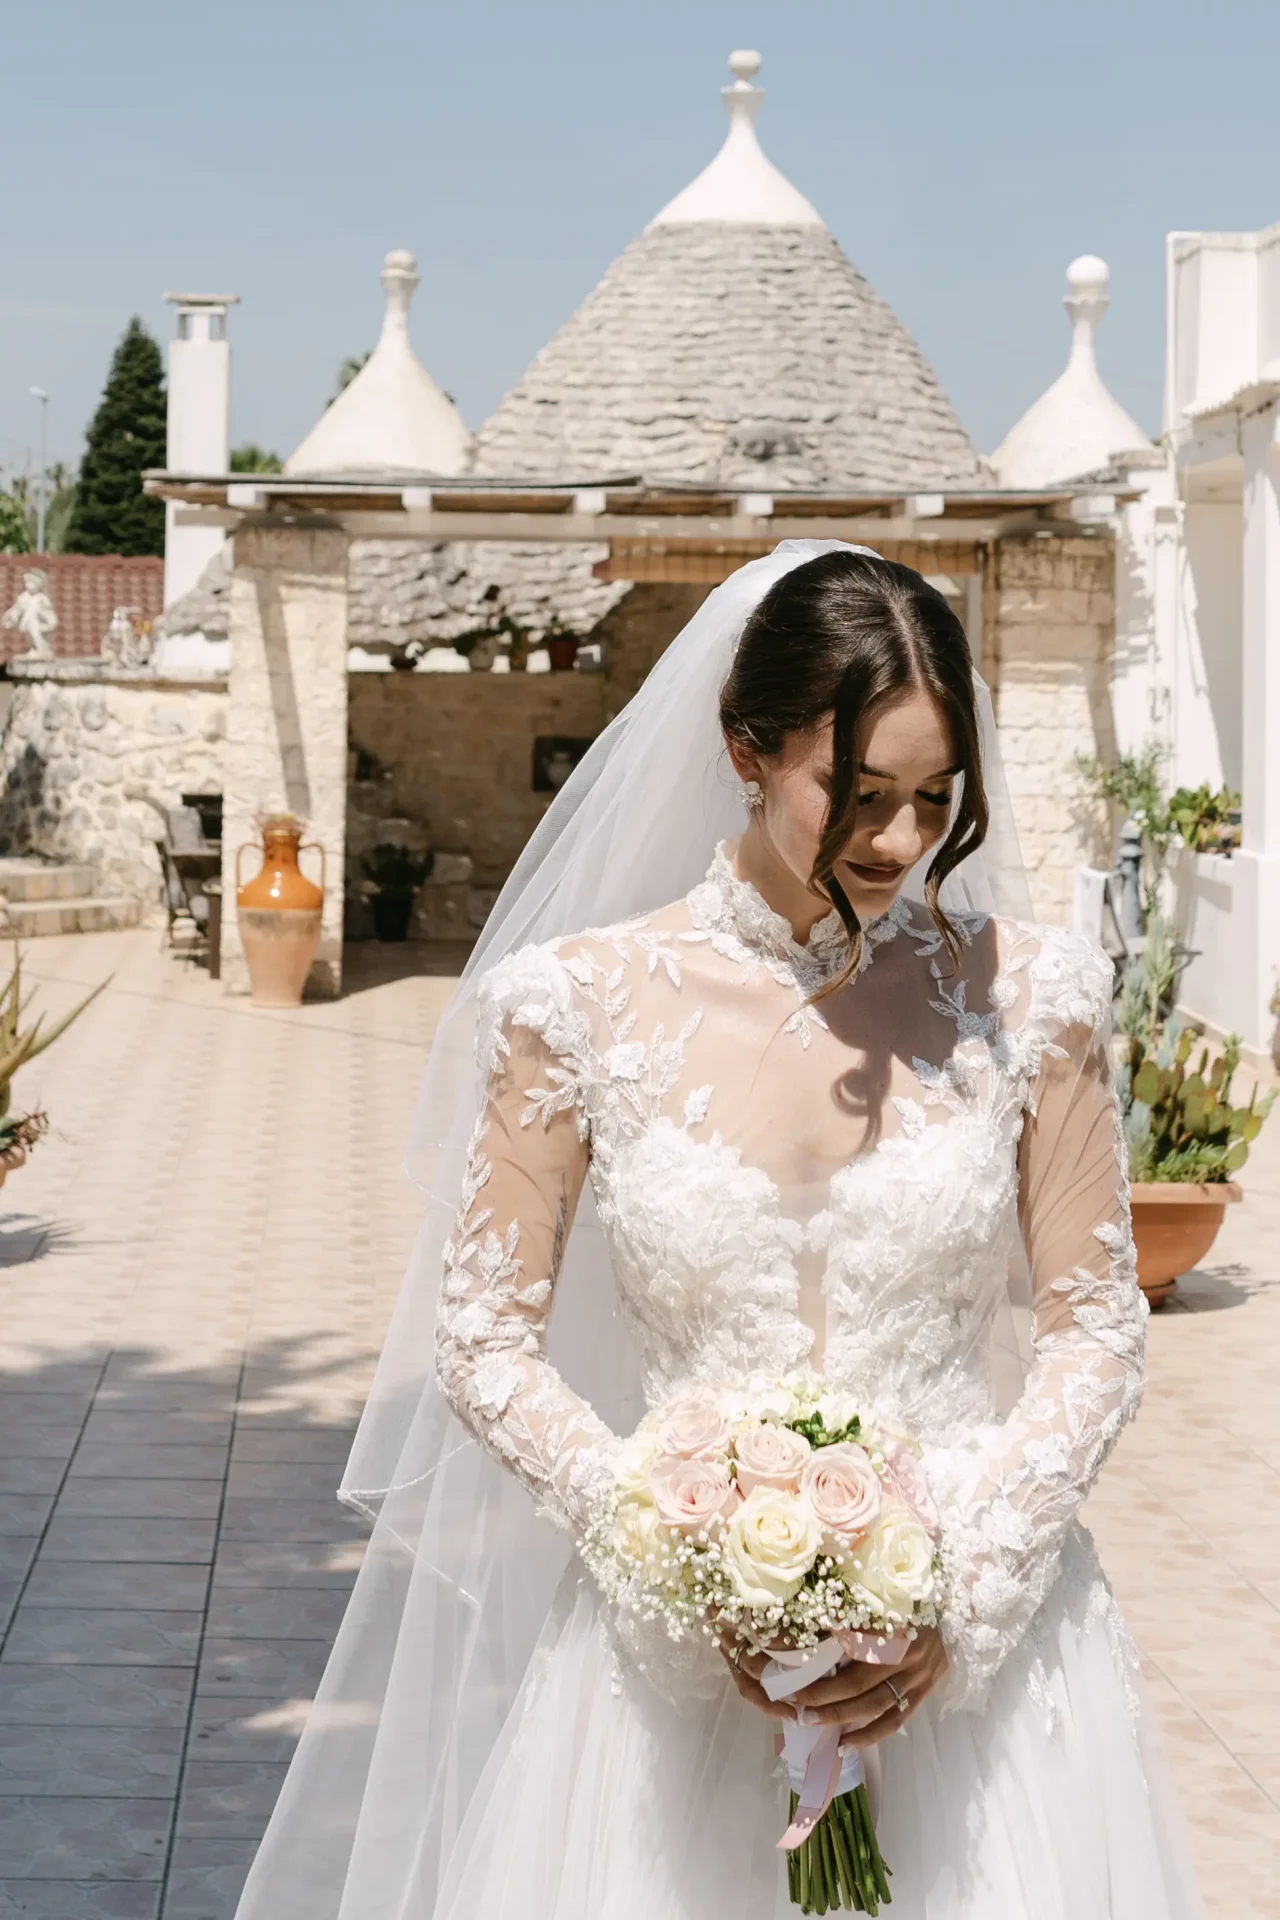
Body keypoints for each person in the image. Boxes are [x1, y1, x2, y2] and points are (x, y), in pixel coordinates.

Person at [235, 544, 1201, 1920]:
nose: (902, 842)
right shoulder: (573, 1004)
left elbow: (1098, 1328)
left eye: (938, 799)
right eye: (859, 796)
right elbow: (483, 1344)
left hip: (975, 1670)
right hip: (674, 1674)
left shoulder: (1035, 997)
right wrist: (683, 1559)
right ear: (746, 751)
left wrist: (960, 1591)